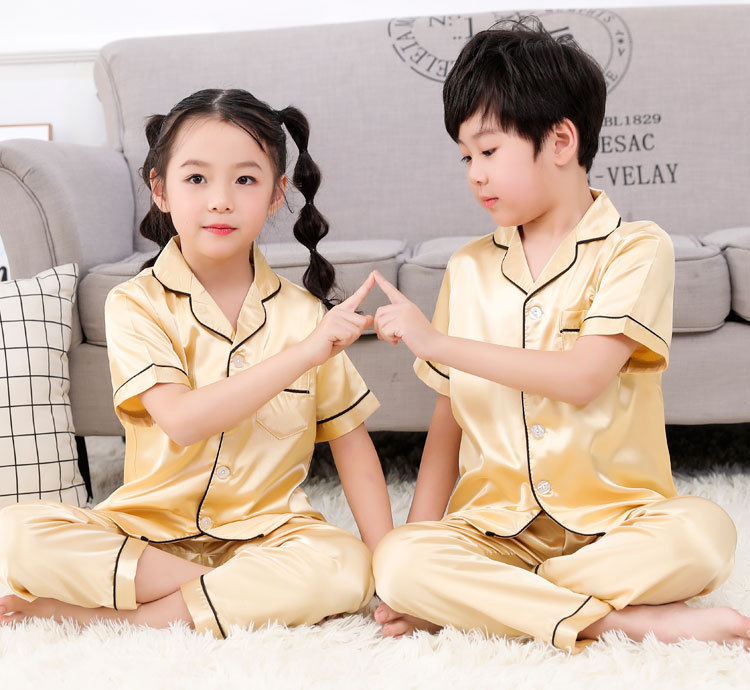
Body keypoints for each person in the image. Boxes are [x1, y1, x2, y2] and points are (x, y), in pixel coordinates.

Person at [370, 20, 748, 652]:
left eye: (489, 151)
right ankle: (626, 622)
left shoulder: (636, 249)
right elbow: (448, 423)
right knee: (401, 560)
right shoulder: (467, 268)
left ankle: (497, 604)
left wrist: (435, 342)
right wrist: (406, 568)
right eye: (466, 157)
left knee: (705, 535)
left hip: (618, 523)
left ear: (561, 140)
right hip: (494, 532)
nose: (474, 174)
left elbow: (582, 378)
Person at [0, 88, 393, 637]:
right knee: (16, 533)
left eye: (246, 179)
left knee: (345, 565)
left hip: (269, 535)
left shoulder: (305, 315)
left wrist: (392, 576)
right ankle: (228, 597)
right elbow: (182, 420)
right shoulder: (135, 303)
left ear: (278, 194)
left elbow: (354, 448)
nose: (221, 200)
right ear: (160, 190)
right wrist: (306, 353)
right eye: (197, 178)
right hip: (145, 536)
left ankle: (130, 618)